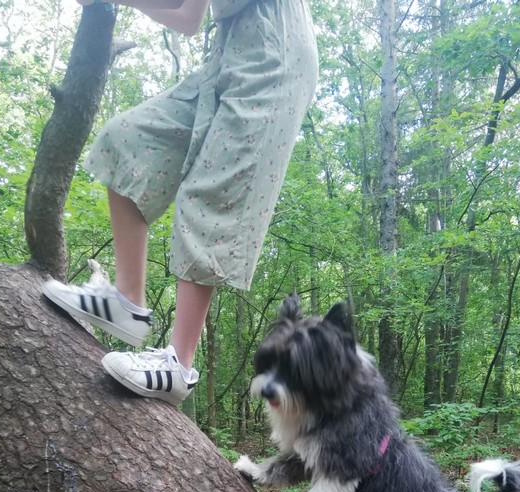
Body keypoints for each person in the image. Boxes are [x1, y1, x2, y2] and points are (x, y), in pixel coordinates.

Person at [44, 0, 318, 404]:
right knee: (126, 140)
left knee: (211, 191)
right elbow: (188, 16)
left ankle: (178, 364)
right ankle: (127, 302)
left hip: (275, 54)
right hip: (226, 54)